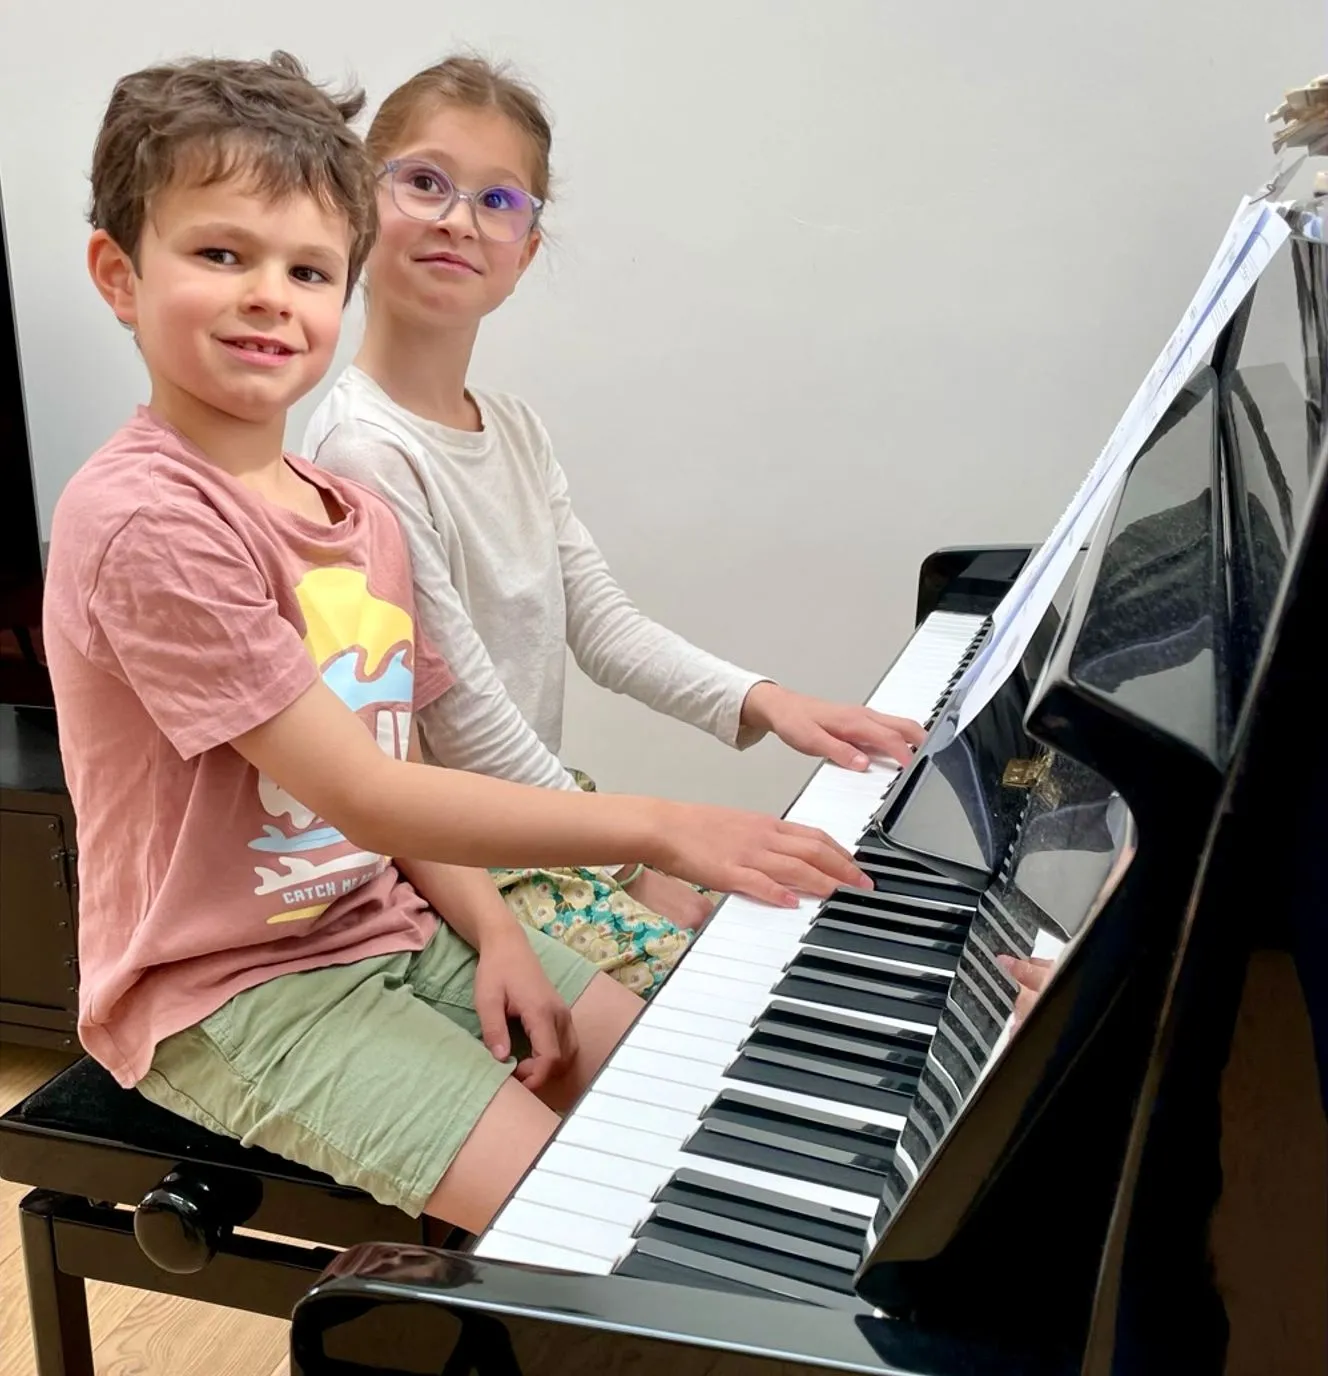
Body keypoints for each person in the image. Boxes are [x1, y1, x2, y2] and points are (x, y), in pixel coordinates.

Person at [41, 51, 872, 1234]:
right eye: (222, 254)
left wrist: (494, 932)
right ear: (119, 275)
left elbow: (411, 764)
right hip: (231, 991)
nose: (271, 294)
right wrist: (660, 827)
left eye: (307, 268)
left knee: (679, 1098)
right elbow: (366, 792)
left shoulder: (354, 512)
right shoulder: (144, 518)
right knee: (586, 1213)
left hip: (386, 915)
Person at [304, 56, 926, 992]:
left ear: (527, 246)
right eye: (424, 182)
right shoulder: (364, 450)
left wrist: (771, 702)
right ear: (359, 202)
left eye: (498, 199)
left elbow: (602, 625)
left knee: (762, 922)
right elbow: (460, 718)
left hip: (540, 814)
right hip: (460, 856)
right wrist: (637, 861)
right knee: (723, 990)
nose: (458, 219)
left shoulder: (511, 427)